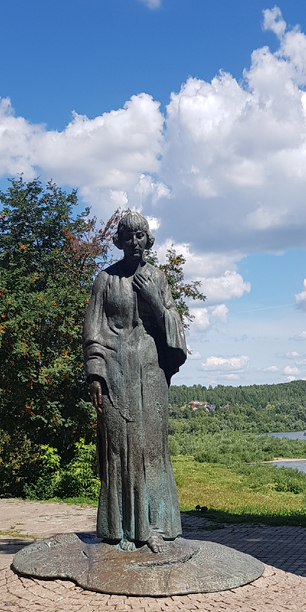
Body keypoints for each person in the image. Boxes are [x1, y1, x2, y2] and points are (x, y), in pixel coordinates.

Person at [83, 210, 187, 552]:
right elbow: (93, 331)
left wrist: (156, 303)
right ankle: (119, 530)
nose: (134, 242)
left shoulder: (157, 278)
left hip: (149, 373)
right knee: (118, 450)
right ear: (119, 242)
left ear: (148, 240)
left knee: (150, 450)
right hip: (114, 375)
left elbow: (173, 324)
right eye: (127, 236)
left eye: (140, 236)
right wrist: (95, 374)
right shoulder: (105, 279)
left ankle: (155, 527)